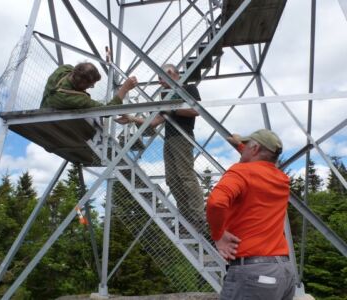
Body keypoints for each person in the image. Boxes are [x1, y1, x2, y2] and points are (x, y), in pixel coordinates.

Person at [206, 129, 296, 300]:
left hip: (253, 273)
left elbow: (216, 202)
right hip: (283, 271)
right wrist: (241, 145)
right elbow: (262, 161)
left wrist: (218, 235)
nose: (243, 148)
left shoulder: (241, 172)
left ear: (254, 149)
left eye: (247, 145)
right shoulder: (281, 179)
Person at [116, 64, 205, 234]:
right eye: (158, 79)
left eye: (163, 77)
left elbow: (195, 110)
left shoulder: (188, 88)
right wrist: (131, 118)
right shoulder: (166, 95)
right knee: (172, 179)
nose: (160, 81)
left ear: (174, 74)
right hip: (169, 139)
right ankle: (186, 218)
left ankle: (197, 217)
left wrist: (169, 108)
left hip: (183, 137)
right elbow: (156, 121)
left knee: (186, 176)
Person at [40, 62, 137, 109]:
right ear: (81, 83)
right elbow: (106, 110)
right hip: (56, 124)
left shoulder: (63, 69)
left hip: (44, 108)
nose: (92, 87)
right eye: (90, 86)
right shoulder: (77, 100)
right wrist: (125, 88)